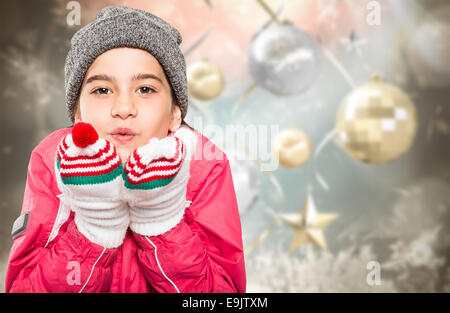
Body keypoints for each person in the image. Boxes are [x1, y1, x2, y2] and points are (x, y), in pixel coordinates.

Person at [5, 6, 246, 293]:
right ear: (78, 114)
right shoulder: (52, 163)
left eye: (145, 89)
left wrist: (161, 221)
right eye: (102, 90)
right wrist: (93, 229)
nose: (123, 109)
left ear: (175, 114)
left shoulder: (203, 168)